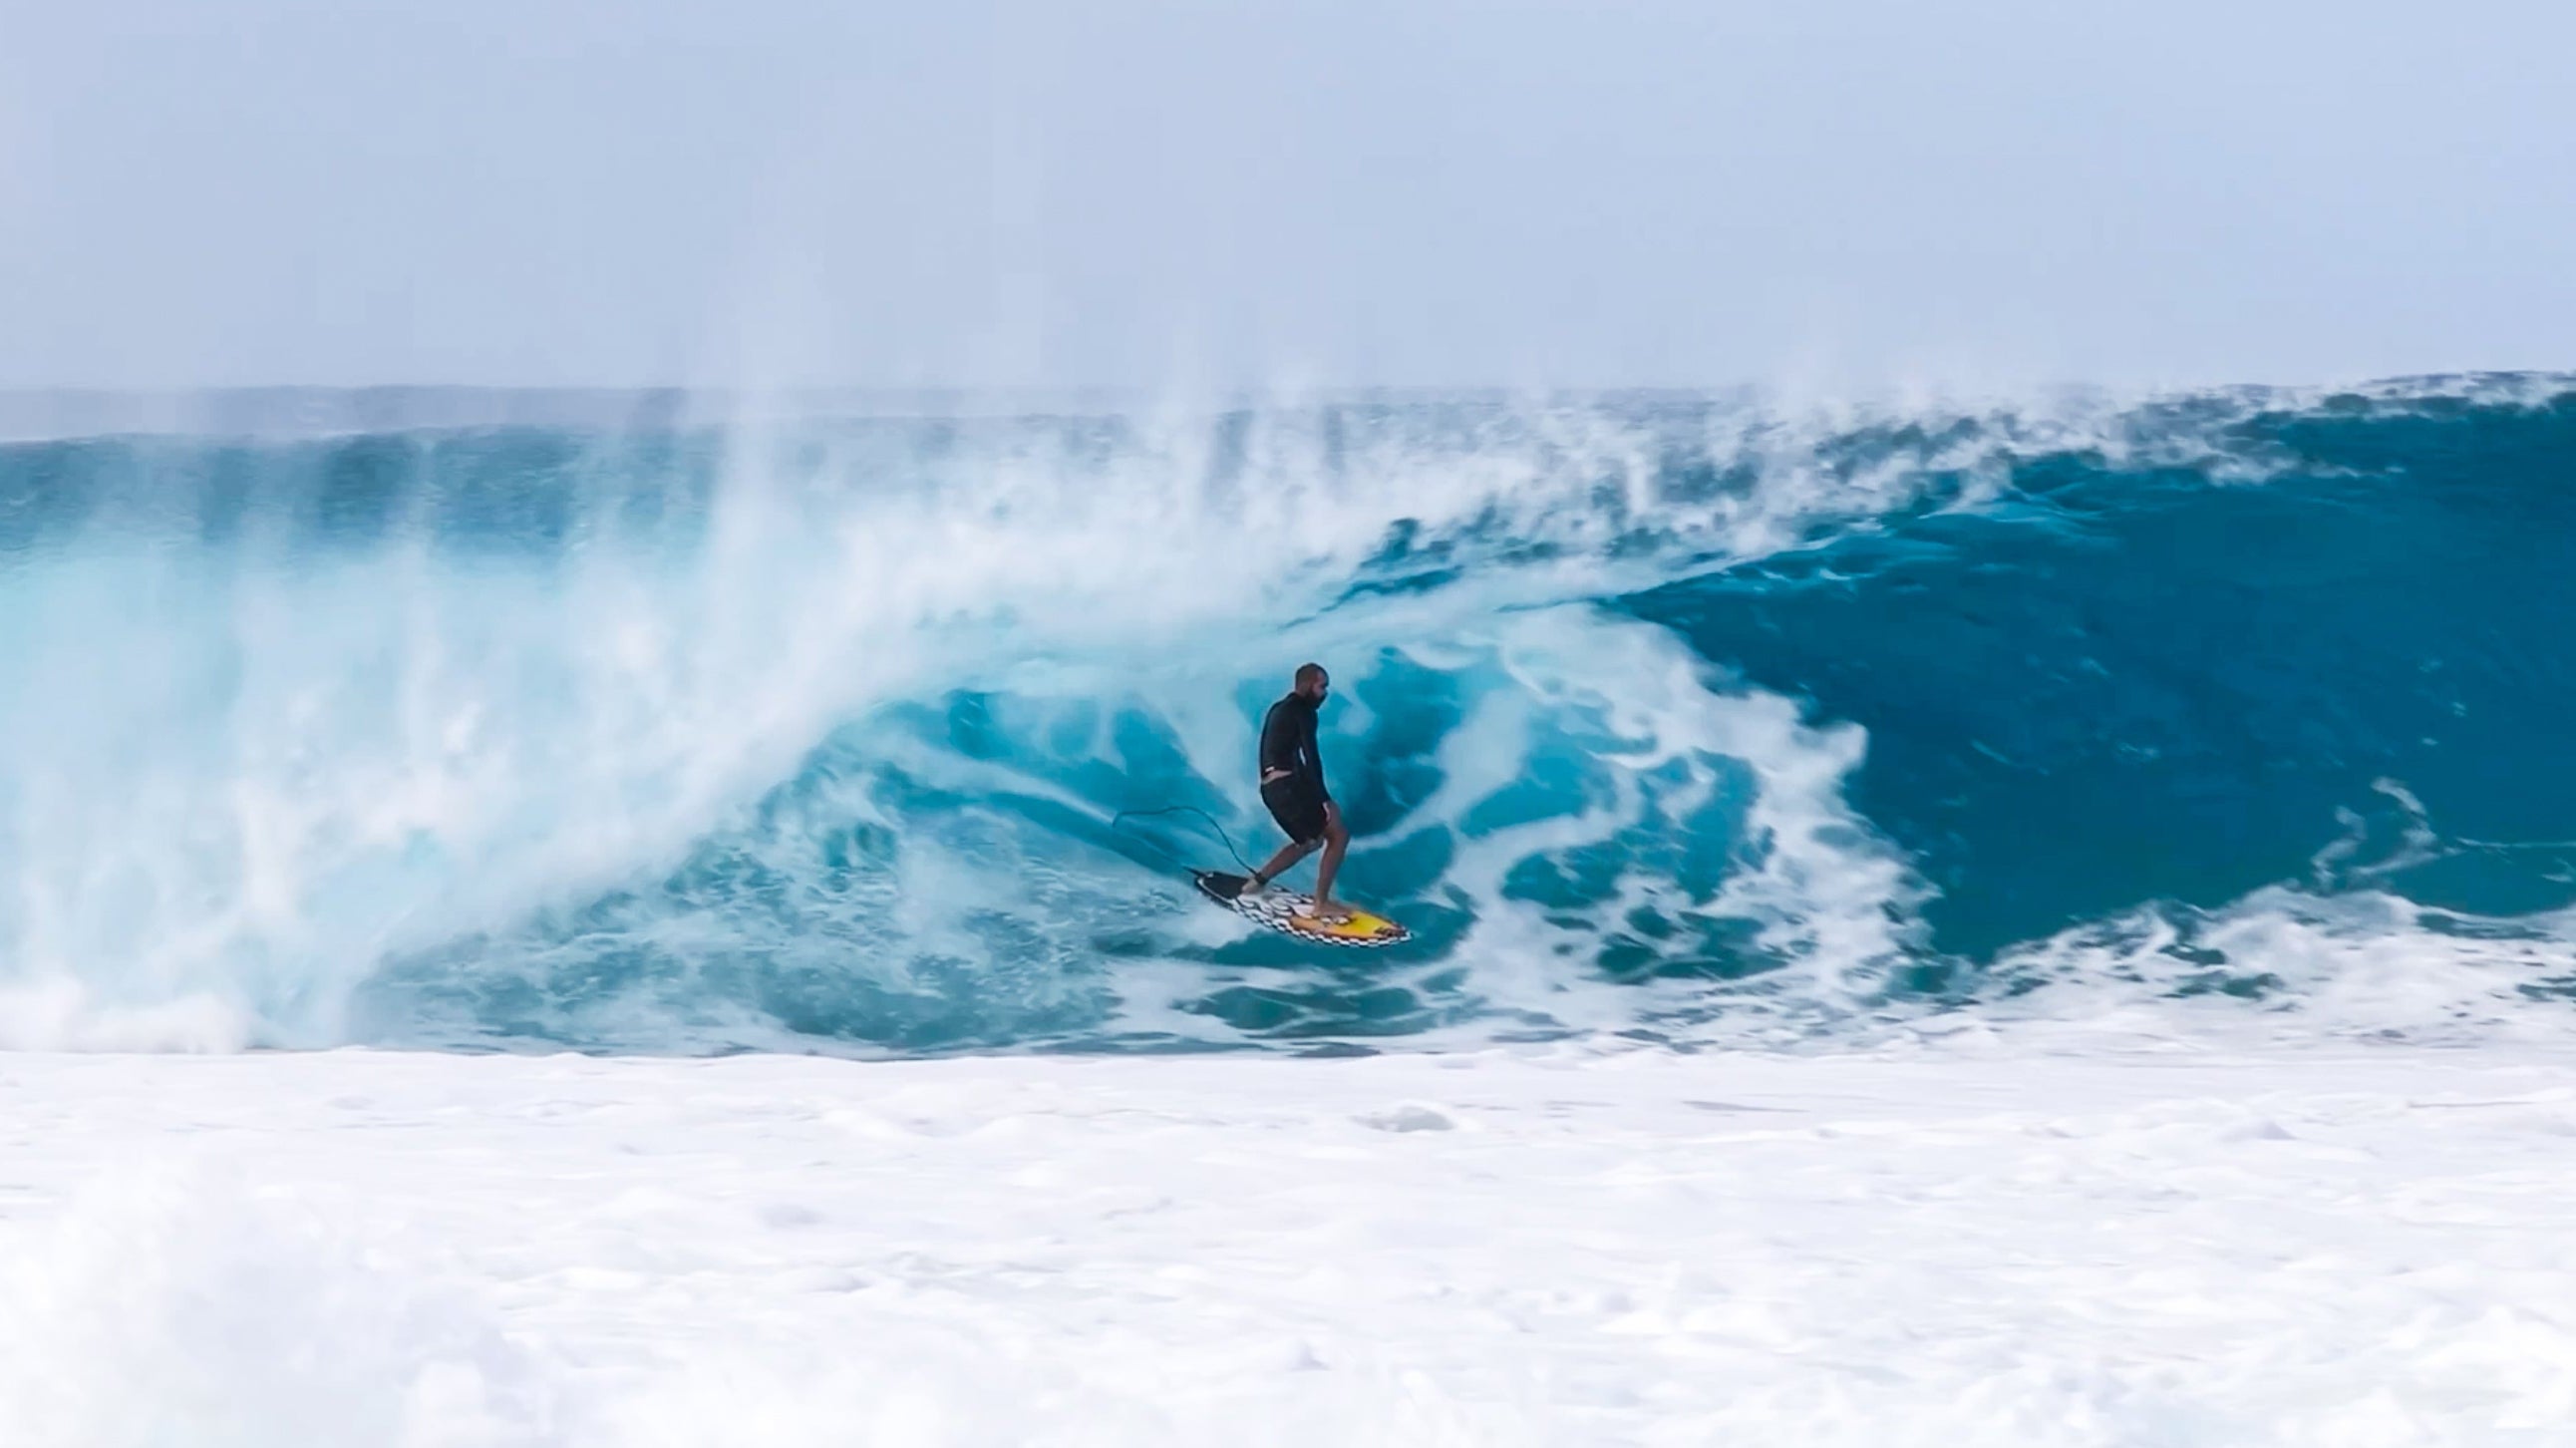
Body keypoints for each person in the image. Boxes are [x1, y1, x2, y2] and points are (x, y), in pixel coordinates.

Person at [1243, 662, 1350, 922]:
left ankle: (1255, 883)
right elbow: (1311, 757)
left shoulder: (1278, 709)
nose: (1325, 693)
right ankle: (1321, 904)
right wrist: (1324, 799)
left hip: (1271, 788)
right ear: (1306, 685)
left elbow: (1275, 753)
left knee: (1309, 842)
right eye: (1321, 686)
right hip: (1287, 786)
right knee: (1339, 835)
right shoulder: (1303, 712)